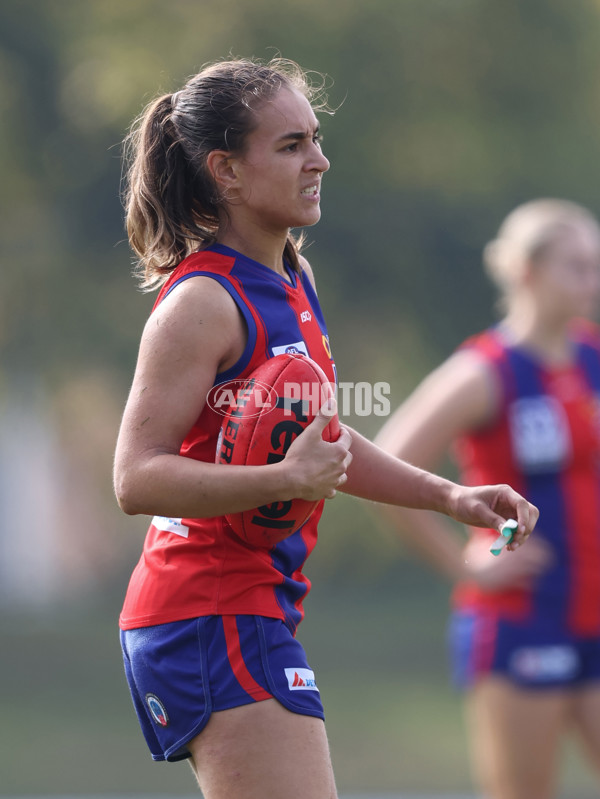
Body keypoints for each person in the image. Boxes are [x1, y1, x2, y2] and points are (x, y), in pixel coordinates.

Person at [113, 57, 538, 799]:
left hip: (255, 604)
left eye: (315, 137)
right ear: (227, 172)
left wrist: (450, 495)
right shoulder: (203, 302)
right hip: (208, 609)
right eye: (290, 145)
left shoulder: (292, 279)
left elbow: (326, 442)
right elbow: (134, 477)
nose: (320, 159)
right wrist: (282, 480)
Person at [375, 198, 600, 799]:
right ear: (528, 273)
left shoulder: (593, 358)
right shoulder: (486, 371)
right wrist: (462, 564)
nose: (592, 283)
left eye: (596, 266)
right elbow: (389, 465)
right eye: (577, 267)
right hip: (523, 618)